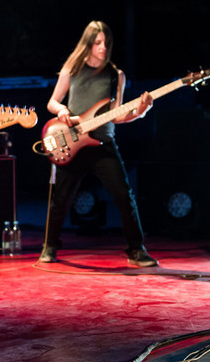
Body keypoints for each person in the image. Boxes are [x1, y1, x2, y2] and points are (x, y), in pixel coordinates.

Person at [40, 21, 158, 267]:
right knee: (60, 198)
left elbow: (118, 115)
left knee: (124, 196)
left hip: (103, 142)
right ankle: (49, 247)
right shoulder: (71, 69)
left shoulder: (116, 75)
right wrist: (61, 110)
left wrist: (140, 112)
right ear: (88, 44)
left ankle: (136, 250)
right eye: (97, 43)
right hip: (72, 141)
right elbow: (52, 102)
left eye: (106, 43)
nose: (103, 48)